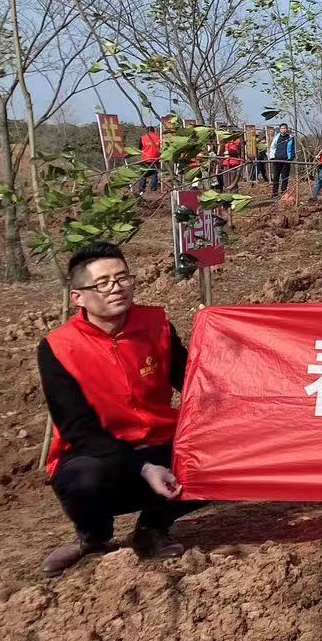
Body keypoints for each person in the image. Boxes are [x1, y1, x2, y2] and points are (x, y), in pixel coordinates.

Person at [37, 241, 195, 577]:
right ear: (78, 296)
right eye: (103, 283)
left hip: (161, 437)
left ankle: (153, 528)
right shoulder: (58, 348)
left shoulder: (156, 324)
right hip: (99, 451)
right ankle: (93, 536)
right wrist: (143, 467)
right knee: (84, 478)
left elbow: (192, 382)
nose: (116, 289)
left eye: (123, 278)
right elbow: (79, 429)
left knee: (218, 454)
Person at [268, 123, 297, 198]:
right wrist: (272, 157)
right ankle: (275, 193)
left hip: (286, 160)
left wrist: (291, 157)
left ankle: (283, 193)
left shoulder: (291, 137)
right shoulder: (277, 137)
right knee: (276, 177)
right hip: (277, 160)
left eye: (285, 128)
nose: (284, 130)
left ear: (287, 129)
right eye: (282, 128)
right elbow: (272, 147)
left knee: (285, 177)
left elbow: (293, 149)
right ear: (280, 129)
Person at [137, 125, 162, 196]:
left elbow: (139, 148)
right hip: (155, 159)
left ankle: (141, 190)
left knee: (143, 175)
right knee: (154, 175)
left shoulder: (143, 138)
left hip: (145, 159)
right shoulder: (159, 138)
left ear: (147, 131)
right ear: (154, 130)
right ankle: (153, 190)